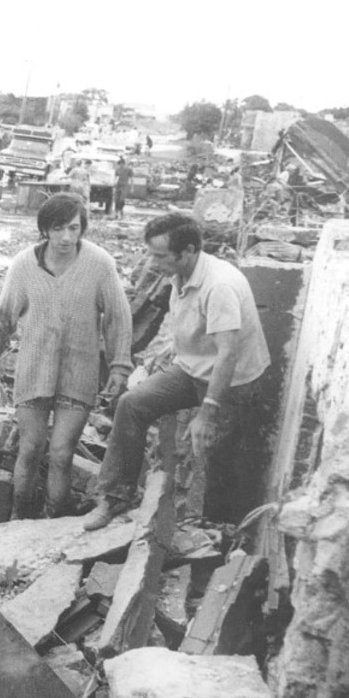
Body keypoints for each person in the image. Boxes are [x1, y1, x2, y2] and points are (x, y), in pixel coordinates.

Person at [80, 213, 271, 530]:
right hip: (192, 369)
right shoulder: (178, 274)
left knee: (213, 454)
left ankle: (212, 530)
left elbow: (228, 353)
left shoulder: (219, 286)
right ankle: (115, 497)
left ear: (189, 251)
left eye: (159, 255)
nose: (152, 262)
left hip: (233, 382)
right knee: (132, 404)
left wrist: (207, 412)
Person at [0, 194, 133, 520]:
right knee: (30, 448)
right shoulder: (23, 265)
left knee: (62, 454)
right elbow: (3, 315)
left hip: (79, 372)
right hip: (33, 370)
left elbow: (118, 316)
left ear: (82, 229)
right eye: (58, 228)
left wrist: (120, 365)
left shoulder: (99, 264)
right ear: (45, 229)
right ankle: (19, 517)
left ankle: (55, 520)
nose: (66, 237)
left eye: (73, 228)